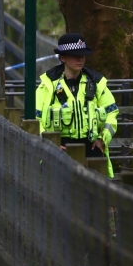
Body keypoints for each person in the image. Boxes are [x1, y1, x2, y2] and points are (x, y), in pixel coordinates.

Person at [35, 33, 119, 178]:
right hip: (58, 150)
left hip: (92, 149)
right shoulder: (48, 85)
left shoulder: (96, 83)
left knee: (95, 196)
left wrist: (102, 140)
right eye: (75, 55)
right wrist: (48, 143)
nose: (80, 59)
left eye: (83, 55)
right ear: (63, 58)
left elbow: (112, 112)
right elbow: (35, 119)